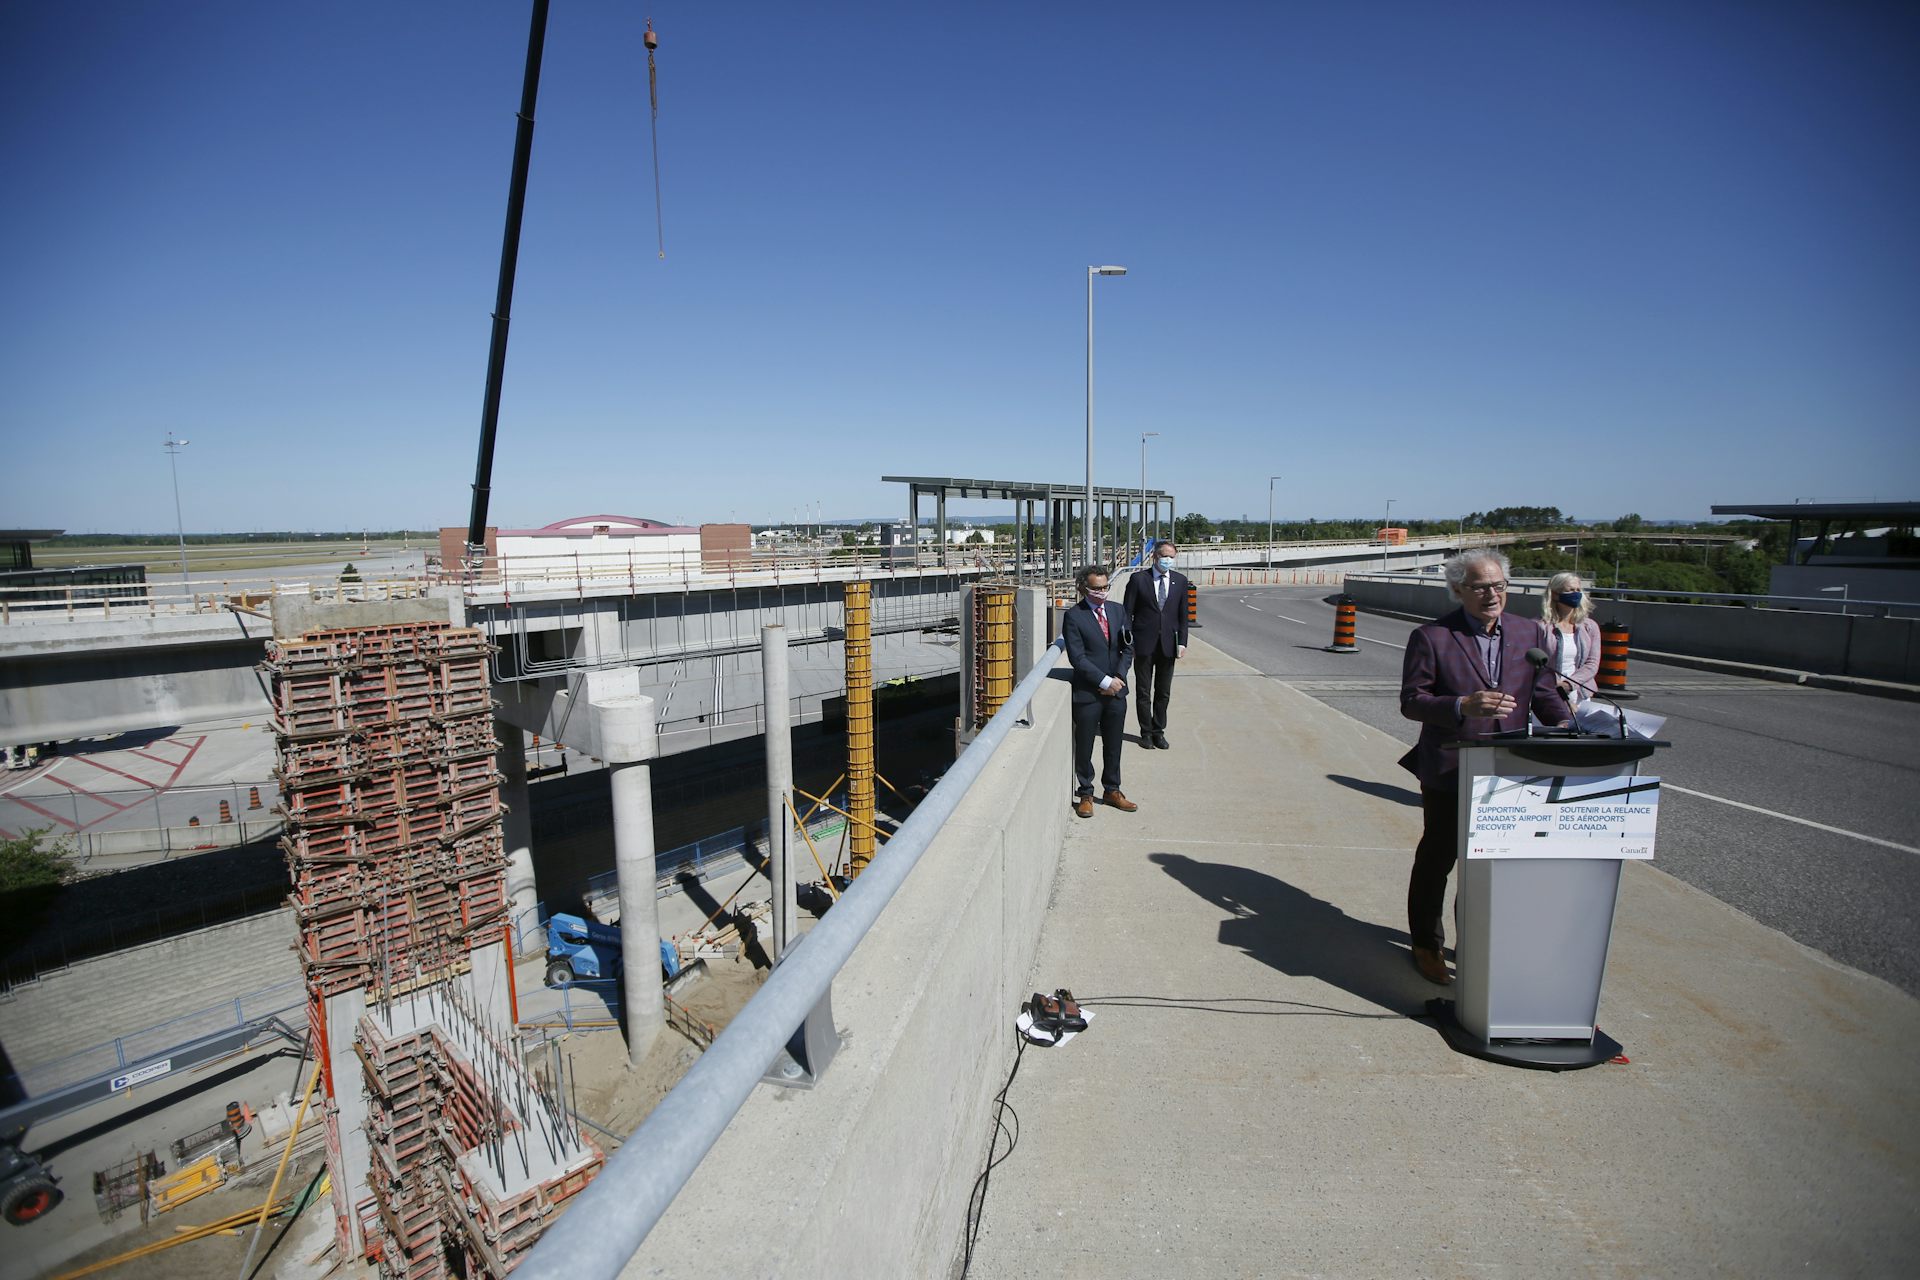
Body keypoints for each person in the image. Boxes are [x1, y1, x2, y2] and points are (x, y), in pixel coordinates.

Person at [1397, 548, 1571, 985]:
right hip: (1452, 767)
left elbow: (1544, 693)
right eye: (1479, 587)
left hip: (1509, 770)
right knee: (1439, 858)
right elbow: (1412, 702)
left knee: (1490, 863)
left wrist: (1569, 726)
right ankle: (1426, 944)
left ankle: (1474, 943)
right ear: (1458, 590)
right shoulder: (1432, 637)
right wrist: (1461, 705)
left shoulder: (1529, 632)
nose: (1492, 595)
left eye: (1498, 586)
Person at [1063, 565, 1136, 818]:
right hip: (1089, 693)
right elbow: (1078, 658)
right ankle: (1085, 792)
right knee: (1085, 745)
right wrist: (1103, 681)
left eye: (1105, 587)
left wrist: (1118, 678)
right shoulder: (1074, 616)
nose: (1102, 592)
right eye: (1097, 588)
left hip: (1117, 690)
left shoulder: (1118, 611)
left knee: (1114, 744)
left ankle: (1112, 790)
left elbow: (1127, 648)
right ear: (1084, 588)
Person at [1122, 539, 1191, 749]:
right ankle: (1146, 732)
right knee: (1143, 691)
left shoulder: (1179, 581)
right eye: (1164, 556)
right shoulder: (1138, 579)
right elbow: (1127, 613)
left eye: (1171, 556)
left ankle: (1159, 731)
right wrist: (1128, 642)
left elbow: (1183, 616)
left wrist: (1183, 643)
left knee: (1163, 692)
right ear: (1155, 557)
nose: (1168, 560)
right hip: (1143, 644)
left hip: (1168, 645)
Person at [1538, 571, 1602, 707]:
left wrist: (1569, 685)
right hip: (1550, 695)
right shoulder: (1540, 627)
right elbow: (1538, 667)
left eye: (1578, 590)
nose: (1576, 593)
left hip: (1580, 695)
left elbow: (1592, 663)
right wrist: (1560, 694)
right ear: (1555, 594)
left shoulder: (1589, 627)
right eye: (1571, 590)